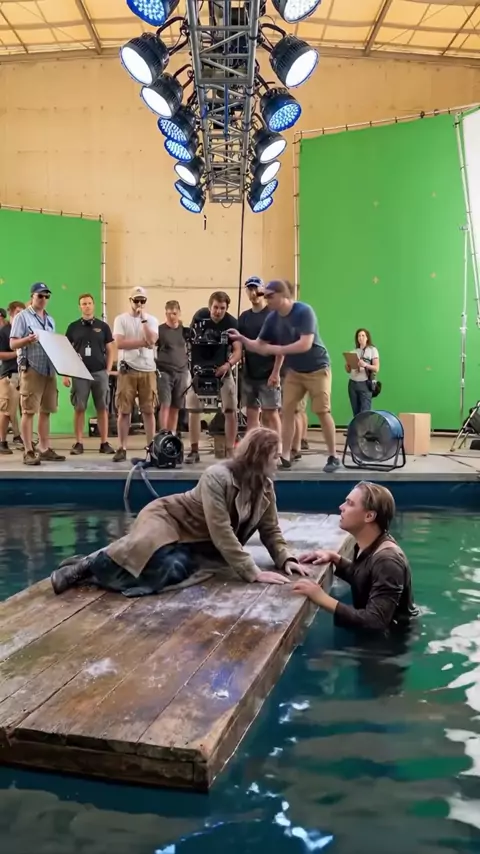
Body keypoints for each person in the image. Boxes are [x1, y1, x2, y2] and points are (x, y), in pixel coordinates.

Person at [50, 427, 310, 596]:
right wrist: (253, 572)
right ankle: (85, 566)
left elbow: (271, 530)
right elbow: (221, 530)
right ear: (258, 457)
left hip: (197, 542)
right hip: (169, 517)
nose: (279, 461)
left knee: (171, 569)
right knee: (142, 548)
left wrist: (285, 559)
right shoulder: (217, 477)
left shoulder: (265, 487)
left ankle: (99, 572)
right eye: (274, 456)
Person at [229, 279, 340, 473]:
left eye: (271, 296)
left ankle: (333, 455)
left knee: (322, 411)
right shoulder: (272, 319)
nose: (267, 300)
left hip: (317, 368)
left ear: (283, 296)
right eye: (266, 297)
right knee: (286, 411)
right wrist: (242, 339)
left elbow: (305, 344)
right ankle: (285, 456)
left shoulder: (304, 311)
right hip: (294, 371)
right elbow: (260, 345)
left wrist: (277, 349)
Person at [292, 481, 418, 635]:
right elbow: (365, 578)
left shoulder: (388, 561)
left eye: (350, 503)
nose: (341, 507)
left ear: (369, 516)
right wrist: (335, 559)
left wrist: (322, 598)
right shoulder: (371, 545)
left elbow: (376, 621)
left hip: (390, 643)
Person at [10, 283, 65, 466]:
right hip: (32, 369)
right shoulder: (22, 317)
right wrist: (27, 339)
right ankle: (28, 451)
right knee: (28, 411)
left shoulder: (50, 320)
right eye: (40, 296)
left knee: (46, 410)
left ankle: (44, 447)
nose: (43, 299)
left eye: (46, 296)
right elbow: (13, 344)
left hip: (49, 370)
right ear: (32, 296)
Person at [185, 291, 241, 464]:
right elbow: (190, 343)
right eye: (215, 307)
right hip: (198, 371)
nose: (218, 311)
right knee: (193, 409)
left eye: (222, 308)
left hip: (223, 371)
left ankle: (230, 450)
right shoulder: (199, 318)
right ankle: (194, 450)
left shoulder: (231, 323)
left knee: (230, 410)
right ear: (210, 306)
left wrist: (228, 365)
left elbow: (238, 350)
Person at [63, 293, 115, 455]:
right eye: (84, 303)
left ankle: (104, 443)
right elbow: (66, 350)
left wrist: (107, 370)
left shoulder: (103, 326)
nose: (87, 306)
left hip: (99, 372)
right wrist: (66, 374)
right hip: (79, 373)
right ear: (80, 306)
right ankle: (78, 442)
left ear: (94, 305)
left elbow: (110, 348)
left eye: (89, 303)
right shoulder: (73, 327)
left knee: (102, 408)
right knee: (79, 408)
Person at [112, 287, 159, 462]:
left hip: (148, 370)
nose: (139, 303)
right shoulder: (121, 319)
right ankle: (122, 447)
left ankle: (151, 447)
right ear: (130, 301)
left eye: (142, 300)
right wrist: (142, 342)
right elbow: (119, 343)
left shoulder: (151, 320)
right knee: (124, 410)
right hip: (128, 369)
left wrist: (143, 320)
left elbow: (152, 340)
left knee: (148, 410)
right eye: (136, 300)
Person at [238, 276, 282, 435]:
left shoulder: (272, 315)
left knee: (271, 414)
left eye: (256, 288)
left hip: (268, 374)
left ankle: (277, 446)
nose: (253, 292)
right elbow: (239, 344)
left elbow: (280, 346)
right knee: (251, 413)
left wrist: (276, 372)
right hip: (250, 375)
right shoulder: (244, 317)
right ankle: (253, 446)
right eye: (250, 289)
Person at [156, 300, 188, 434]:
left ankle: (172, 433)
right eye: (169, 314)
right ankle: (163, 433)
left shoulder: (184, 331)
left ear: (179, 313)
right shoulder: (160, 330)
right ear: (165, 314)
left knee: (176, 406)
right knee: (165, 404)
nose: (172, 316)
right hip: (165, 372)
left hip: (181, 371)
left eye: (174, 313)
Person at [0, 301, 25, 453]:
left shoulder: (24, 332)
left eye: (22, 313)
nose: (20, 316)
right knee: (6, 411)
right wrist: (17, 353)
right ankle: (2, 442)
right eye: (17, 313)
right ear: (10, 313)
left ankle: (22, 439)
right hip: (9, 375)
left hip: (24, 375)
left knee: (25, 411)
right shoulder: (4, 332)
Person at [346, 328, 380, 416]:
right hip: (353, 383)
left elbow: (376, 368)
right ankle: (357, 425)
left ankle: (365, 425)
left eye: (363, 335)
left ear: (367, 337)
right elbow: (348, 370)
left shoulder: (372, 350)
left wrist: (365, 365)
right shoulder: (354, 352)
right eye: (359, 336)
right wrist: (348, 365)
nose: (361, 338)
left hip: (365, 383)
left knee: (365, 413)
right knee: (356, 412)